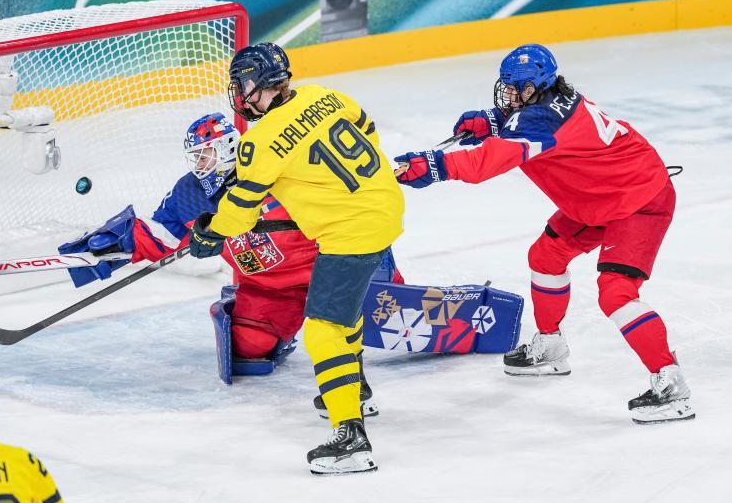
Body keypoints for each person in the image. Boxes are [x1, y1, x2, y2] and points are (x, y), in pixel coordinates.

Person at [394, 43, 692, 425]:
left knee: (616, 293)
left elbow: (488, 161)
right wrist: (494, 121)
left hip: (639, 200)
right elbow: (524, 122)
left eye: (515, 89)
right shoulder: (552, 101)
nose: (508, 95)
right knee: (545, 257)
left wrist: (434, 165)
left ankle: (671, 383)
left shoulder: (541, 121)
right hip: (601, 196)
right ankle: (551, 347)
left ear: (534, 88)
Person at [59, 112, 400, 417]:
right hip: (268, 288)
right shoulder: (190, 192)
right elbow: (165, 231)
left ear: (227, 148)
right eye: (196, 156)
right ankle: (287, 328)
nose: (199, 163)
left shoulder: (273, 167)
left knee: (389, 317)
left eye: (205, 153)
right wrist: (122, 240)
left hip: (328, 267)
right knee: (249, 348)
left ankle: (382, 274)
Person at [186, 43, 406, 475]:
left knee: (322, 328)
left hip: (350, 232)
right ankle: (354, 389)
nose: (239, 94)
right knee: (342, 314)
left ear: (256, 85)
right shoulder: (327, 96)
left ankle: (351, 438)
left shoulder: (260, 142)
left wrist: (210, 231)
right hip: (386, 208)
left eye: (241, 85)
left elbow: (241, 212)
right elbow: (368, 130)